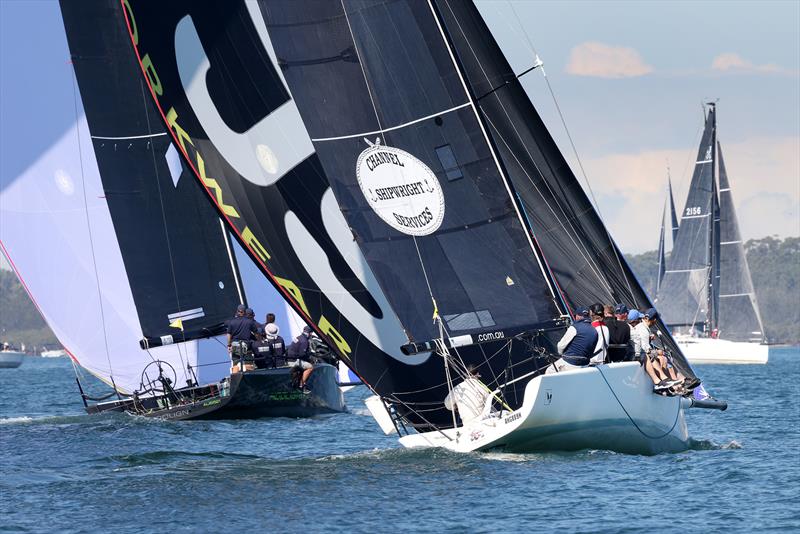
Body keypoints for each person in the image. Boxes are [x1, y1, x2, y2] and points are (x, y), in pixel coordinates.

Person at [548, 308, 598, 374]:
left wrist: (561, 354)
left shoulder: (574, 327)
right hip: (585, 364)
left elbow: (561, 346)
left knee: (549, 371)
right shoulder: (594, 330)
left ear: (578, 316)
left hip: (570, 363)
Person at [226, 304, 259, 373]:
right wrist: (259, 341)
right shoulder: (249, 322)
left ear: (237, 311)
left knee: (235, 364)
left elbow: (228, 335)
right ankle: (248, 373)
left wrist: (229, 345)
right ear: (245, 312)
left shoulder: (231, 322)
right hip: (247, 346)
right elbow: (256, 334)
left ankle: (236, 376)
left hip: (235, 346)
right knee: (249, 364)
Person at [287, 326, 314, 392]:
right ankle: (301, 385)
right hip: (294, 361)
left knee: (305, 363)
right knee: (310, 367)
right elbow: (302, 354)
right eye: (311, 333)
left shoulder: (299, 337)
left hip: (289, 359)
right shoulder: (304, 341)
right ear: (309, 333)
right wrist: (309, 358)